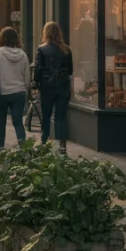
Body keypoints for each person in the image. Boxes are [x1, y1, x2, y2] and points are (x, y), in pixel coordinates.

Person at [33, 21, 74, 154]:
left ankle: (44, 143)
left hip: (47, 88)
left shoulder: (41, 49)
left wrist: (36, 83)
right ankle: (61, 146)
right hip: (62, 87)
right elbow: (70, 70)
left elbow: (38, 69)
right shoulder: (66, 50)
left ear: (46, 33)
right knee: (60, 117)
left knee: (46, 115)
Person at [0, 27, 30, 150]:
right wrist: (24, 89)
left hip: (2, 93)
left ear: (1, 39)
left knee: (1, 121)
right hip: (19, 93)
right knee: (18, 122)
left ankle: (0, 147)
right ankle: (24, 148)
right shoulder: (23, 55)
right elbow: (27, 76)